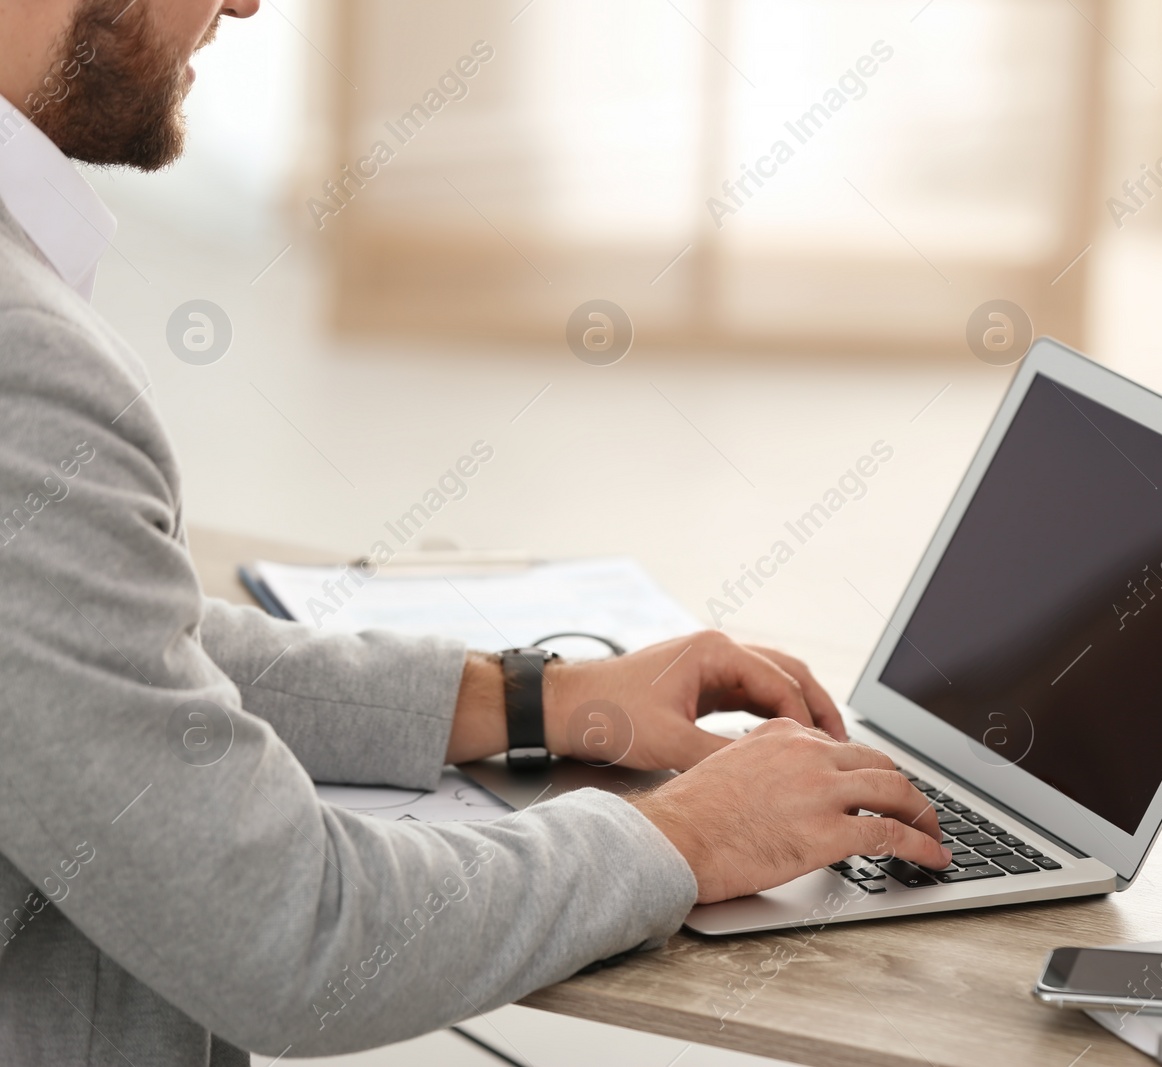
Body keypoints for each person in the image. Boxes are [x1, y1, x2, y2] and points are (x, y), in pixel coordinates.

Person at [0, 1, 949, 1062]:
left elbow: (100, 655)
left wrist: (535, 697)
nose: (245, 2)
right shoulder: (25, 367)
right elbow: (289, 934)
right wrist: (689, 830)